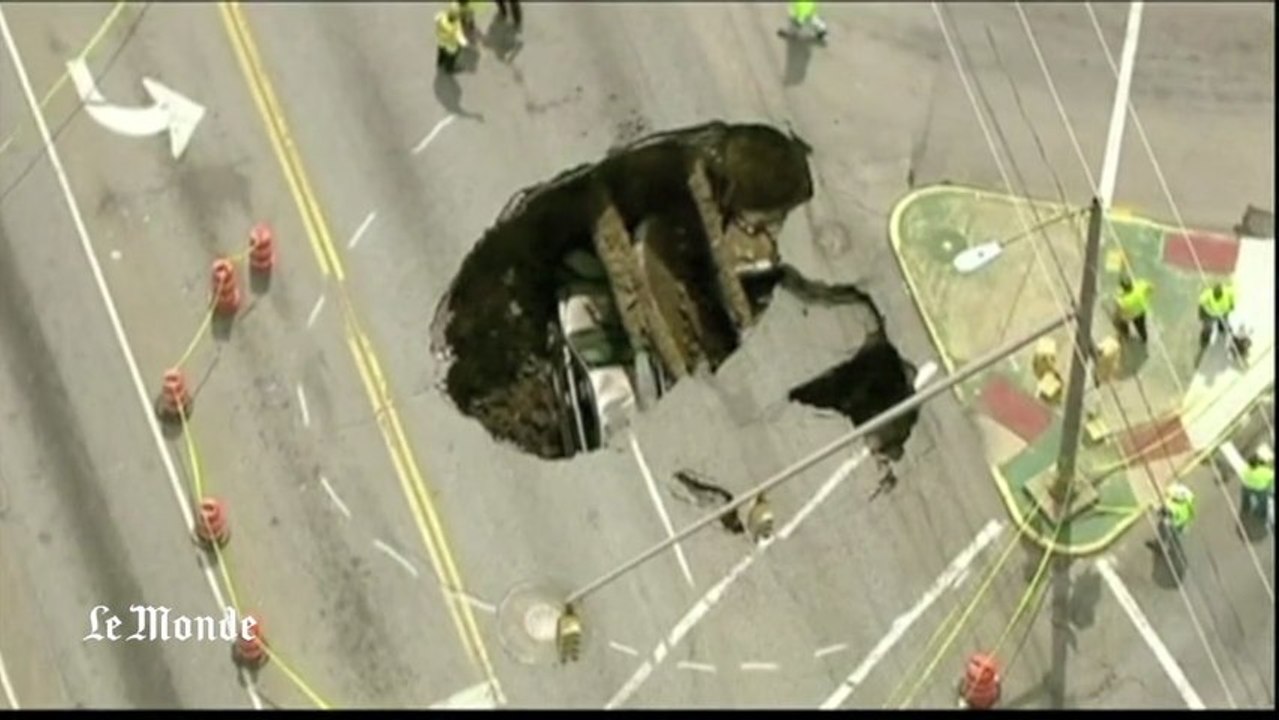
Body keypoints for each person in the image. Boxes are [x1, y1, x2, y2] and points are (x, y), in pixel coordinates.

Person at [1197, 281, 1236, 353]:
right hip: (1210, 313)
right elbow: (1201, 304)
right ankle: (1204, 340)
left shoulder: (1228, 292)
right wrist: (1201, 315)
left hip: (1223, 313)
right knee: (1207, 328)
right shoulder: (1208, 294)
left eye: (1218, 295)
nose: (1217, 297)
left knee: (1223, 326)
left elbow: (1233, 296)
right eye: (1215, 295)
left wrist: (1232, 304)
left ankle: (1221, 329)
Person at [1114, 274, 1153, 344]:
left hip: (1132, 314)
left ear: (1123, 288)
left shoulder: (1124, 299)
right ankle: (1144, 338)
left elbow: (1119, 308)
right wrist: (1147, 295)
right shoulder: (1140, 286)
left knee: (1123, 322)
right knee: (1141, 327)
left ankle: (1126, 334)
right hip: (1142, 312)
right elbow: (1150, 287)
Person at [1240, 445, 1274, 519]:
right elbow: (1271, 480)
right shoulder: (1266, 472)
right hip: (1260, 489)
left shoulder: (1249, 465)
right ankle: (1261, 515)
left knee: (1246, 499)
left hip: (1247, 486)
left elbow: (1243, 473)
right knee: (1263, 502)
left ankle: (1246, 509)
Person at [435, 6, 469, 74]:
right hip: (451, 45)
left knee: (441, 52)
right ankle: (449, 68)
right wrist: (465, 43)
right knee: (451, 57)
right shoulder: (455, 27)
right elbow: (459, 37)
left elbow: (436, 18)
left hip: (441, 40)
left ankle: (440, 62)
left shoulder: (441, 17)